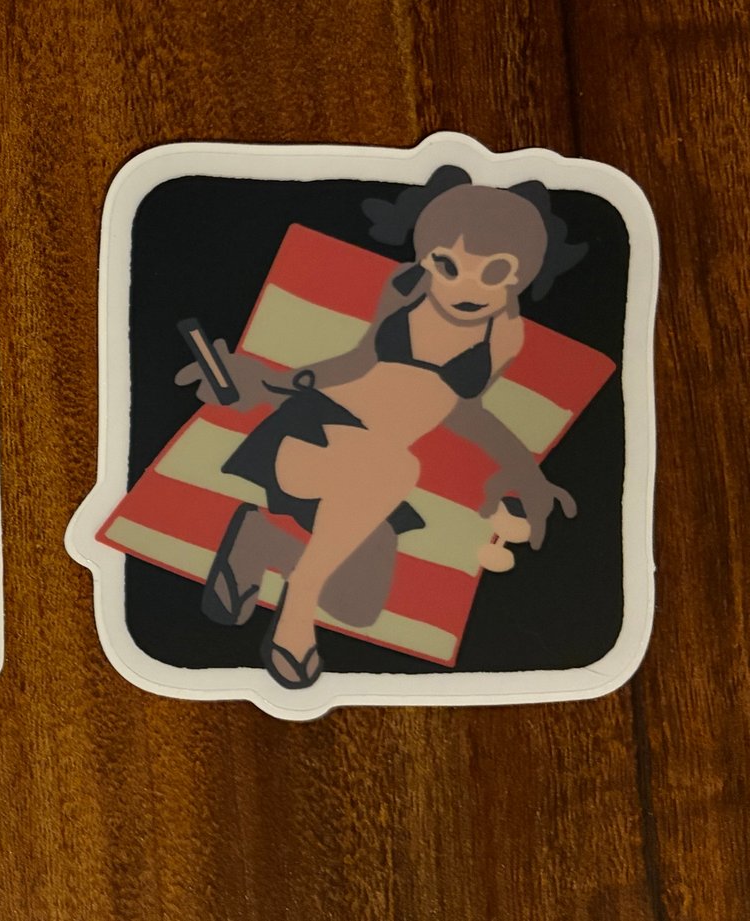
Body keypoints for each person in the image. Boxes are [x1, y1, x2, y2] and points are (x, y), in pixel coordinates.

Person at [183, 167, 587, 688]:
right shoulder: (405, 291)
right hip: (316, 432)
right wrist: (268, 384)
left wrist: (525, 470)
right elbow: (354, 365)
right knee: (395, 467)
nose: (467, 287)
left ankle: (259, 539)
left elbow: (463, 410)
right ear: (426, 258)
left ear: (522, 274)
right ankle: (296, 610)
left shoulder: (506, 335)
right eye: (448, 265)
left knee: (356, 605)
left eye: (494, 273)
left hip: (371, 473)